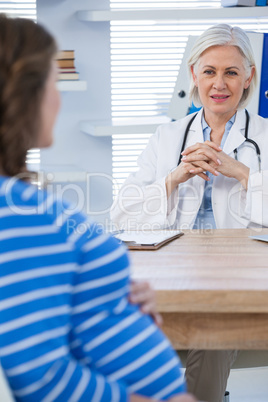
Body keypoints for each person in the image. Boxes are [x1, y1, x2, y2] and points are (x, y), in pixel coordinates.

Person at [0, 14, 197, 402]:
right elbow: (38, 376)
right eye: (54, 82)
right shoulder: (20, 212)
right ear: (26, 94)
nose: (59, 95)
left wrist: (107, 294)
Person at [111, 23, 268, 402]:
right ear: (193, 75)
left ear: (248, 78)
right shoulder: (167, 138)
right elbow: (121, 215)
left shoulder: (263, 137)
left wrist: (244, 174)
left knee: (213, 332)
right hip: (174, 276)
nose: (220, 83)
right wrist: (173, 178)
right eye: (210, 71)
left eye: (231, 72)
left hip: (241, 282)